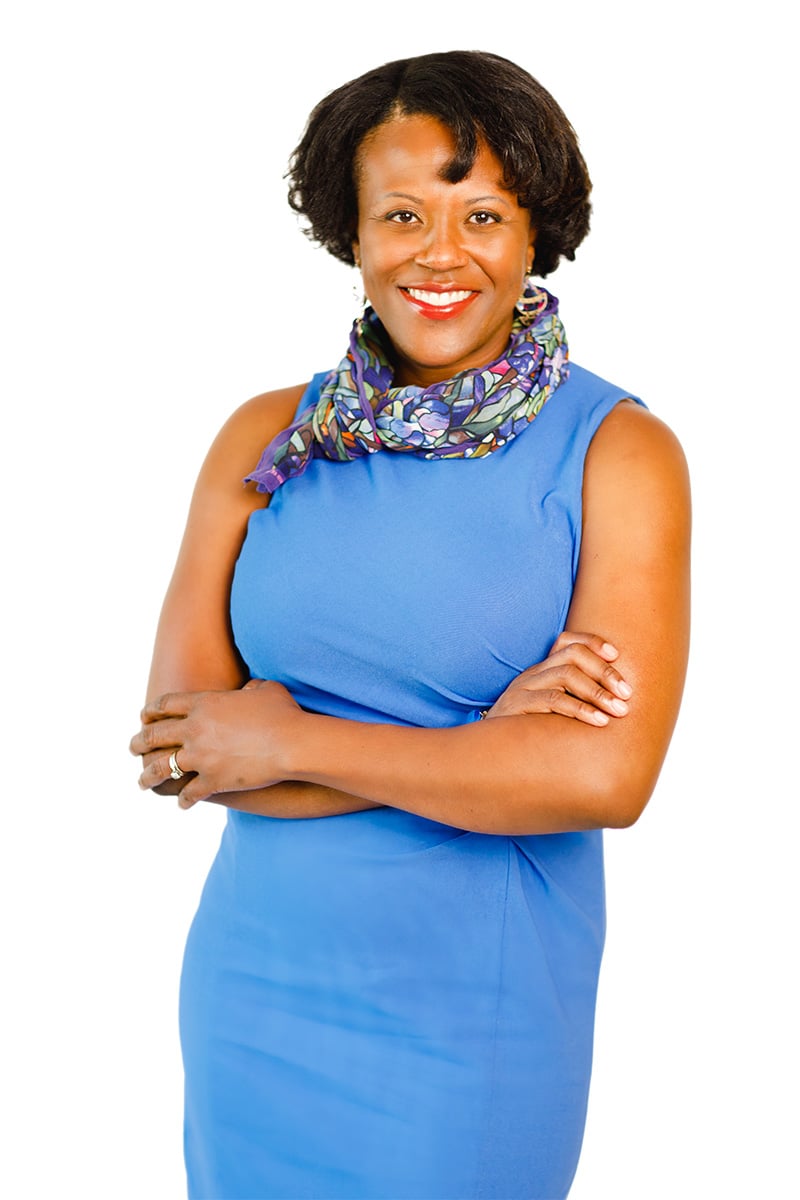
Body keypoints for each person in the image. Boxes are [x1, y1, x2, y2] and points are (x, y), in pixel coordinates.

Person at [130, 50, 690, 1200]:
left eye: (481, 214)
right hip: (256, 992)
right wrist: (485, 746)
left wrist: (287, 739)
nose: (440, 255)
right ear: (352, 232)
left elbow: (604, 780)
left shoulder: (618, 454)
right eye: (401, 214)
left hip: (470, 1013)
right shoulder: (265, 439)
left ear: (537, 232)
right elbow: (181, 747)